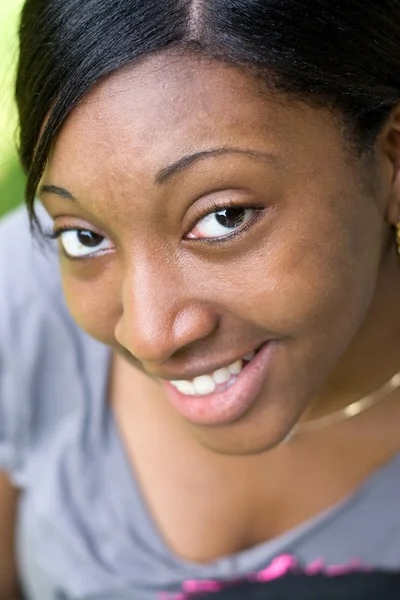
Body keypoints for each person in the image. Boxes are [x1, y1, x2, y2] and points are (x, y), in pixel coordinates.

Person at [1, 0, 400, 598]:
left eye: (223, 216)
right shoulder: (22, 302)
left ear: (392, 157)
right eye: (85, 236)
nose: (149, 335)